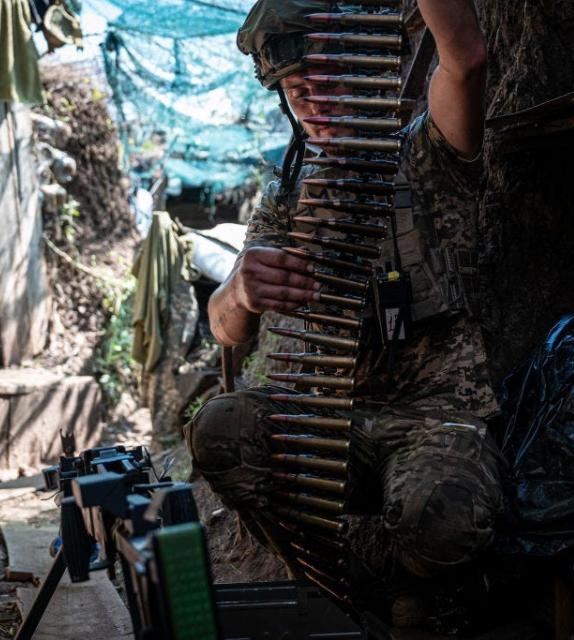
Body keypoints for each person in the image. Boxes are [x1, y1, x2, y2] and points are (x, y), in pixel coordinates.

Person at [186, 0, 503, 627]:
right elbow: (224, 328)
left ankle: (384, 582)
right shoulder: (287, 202)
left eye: (331, 81)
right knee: (219, 427)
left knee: (443, 516)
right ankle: (367, 585)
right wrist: (240, 292)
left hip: (433, 417)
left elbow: (464, 59)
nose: (316, 105)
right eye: (299, 92)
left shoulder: (425, 157)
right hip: (327, 422)